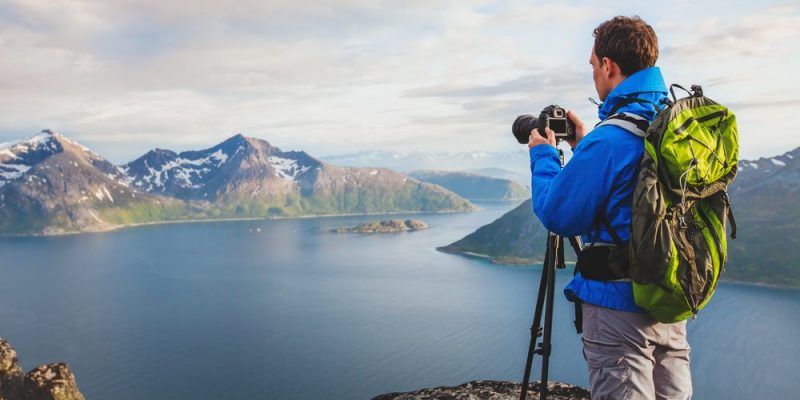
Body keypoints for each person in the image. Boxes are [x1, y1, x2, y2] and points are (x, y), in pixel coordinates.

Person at [527, 16, 692, 400]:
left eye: (592, 65)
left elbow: (559, 215)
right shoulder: (671, 124)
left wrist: (544, 157)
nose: (593, 74)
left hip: (619, 309)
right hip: (670, 296)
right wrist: (586, 146)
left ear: (608, 66)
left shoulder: (612, 138)